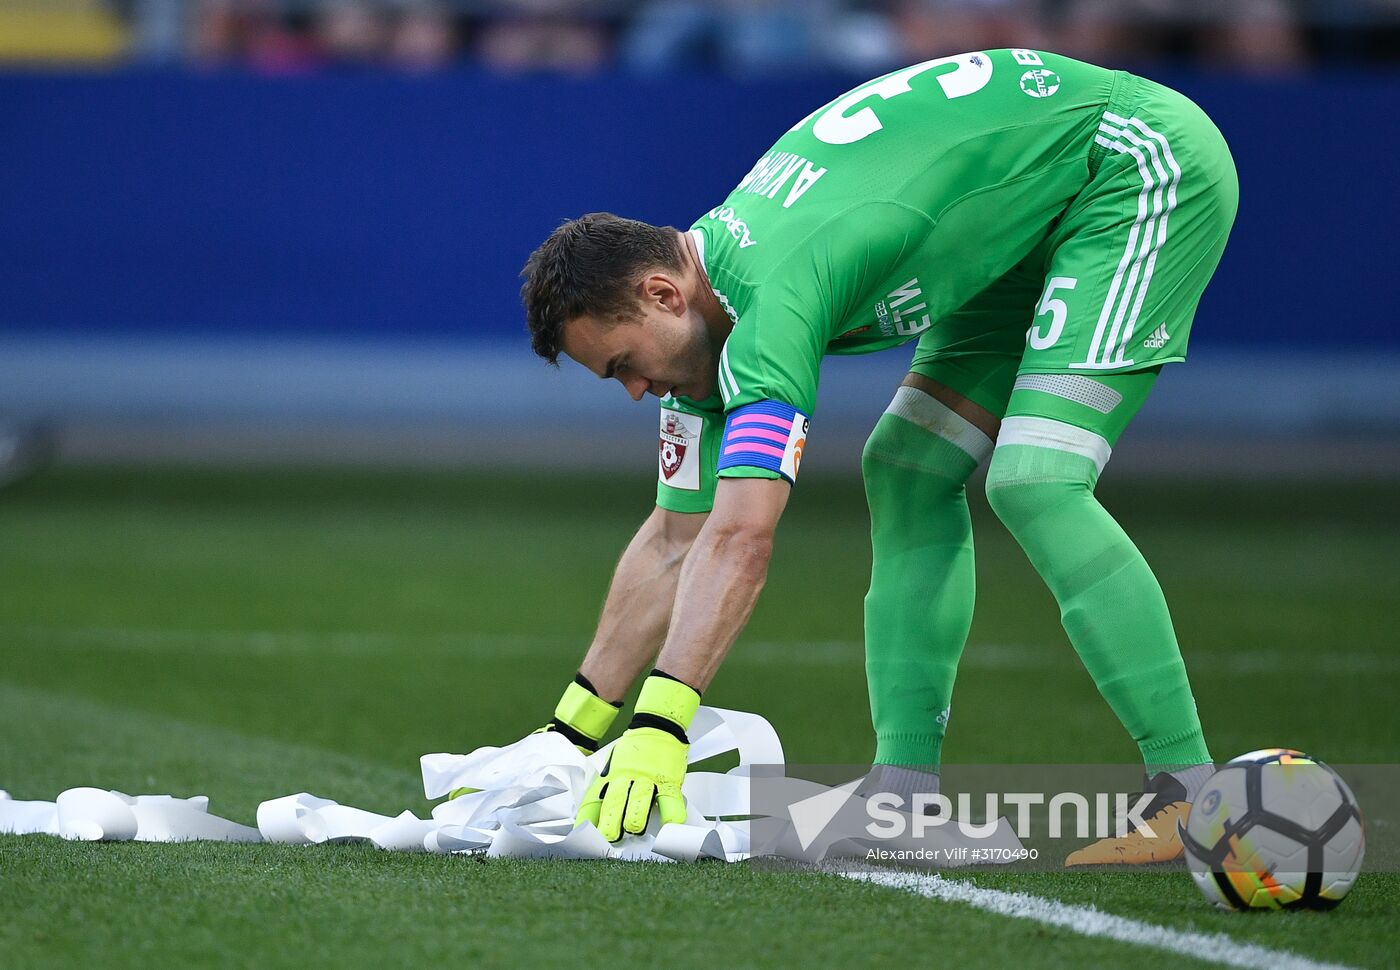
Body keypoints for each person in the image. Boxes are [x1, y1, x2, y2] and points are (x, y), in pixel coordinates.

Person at [515, 48, 1238, 864]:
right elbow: (676, 539)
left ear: (661, 293)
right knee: (907, 468)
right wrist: (568, 736)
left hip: (1129, 164)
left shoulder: (774, 297)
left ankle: (1192, 794)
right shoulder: (706, 311)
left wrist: (659, 726)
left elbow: (740, 537)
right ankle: (905, 803)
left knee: (1037, 480)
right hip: (1029, 205)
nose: (638, 392)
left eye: (624, 366)